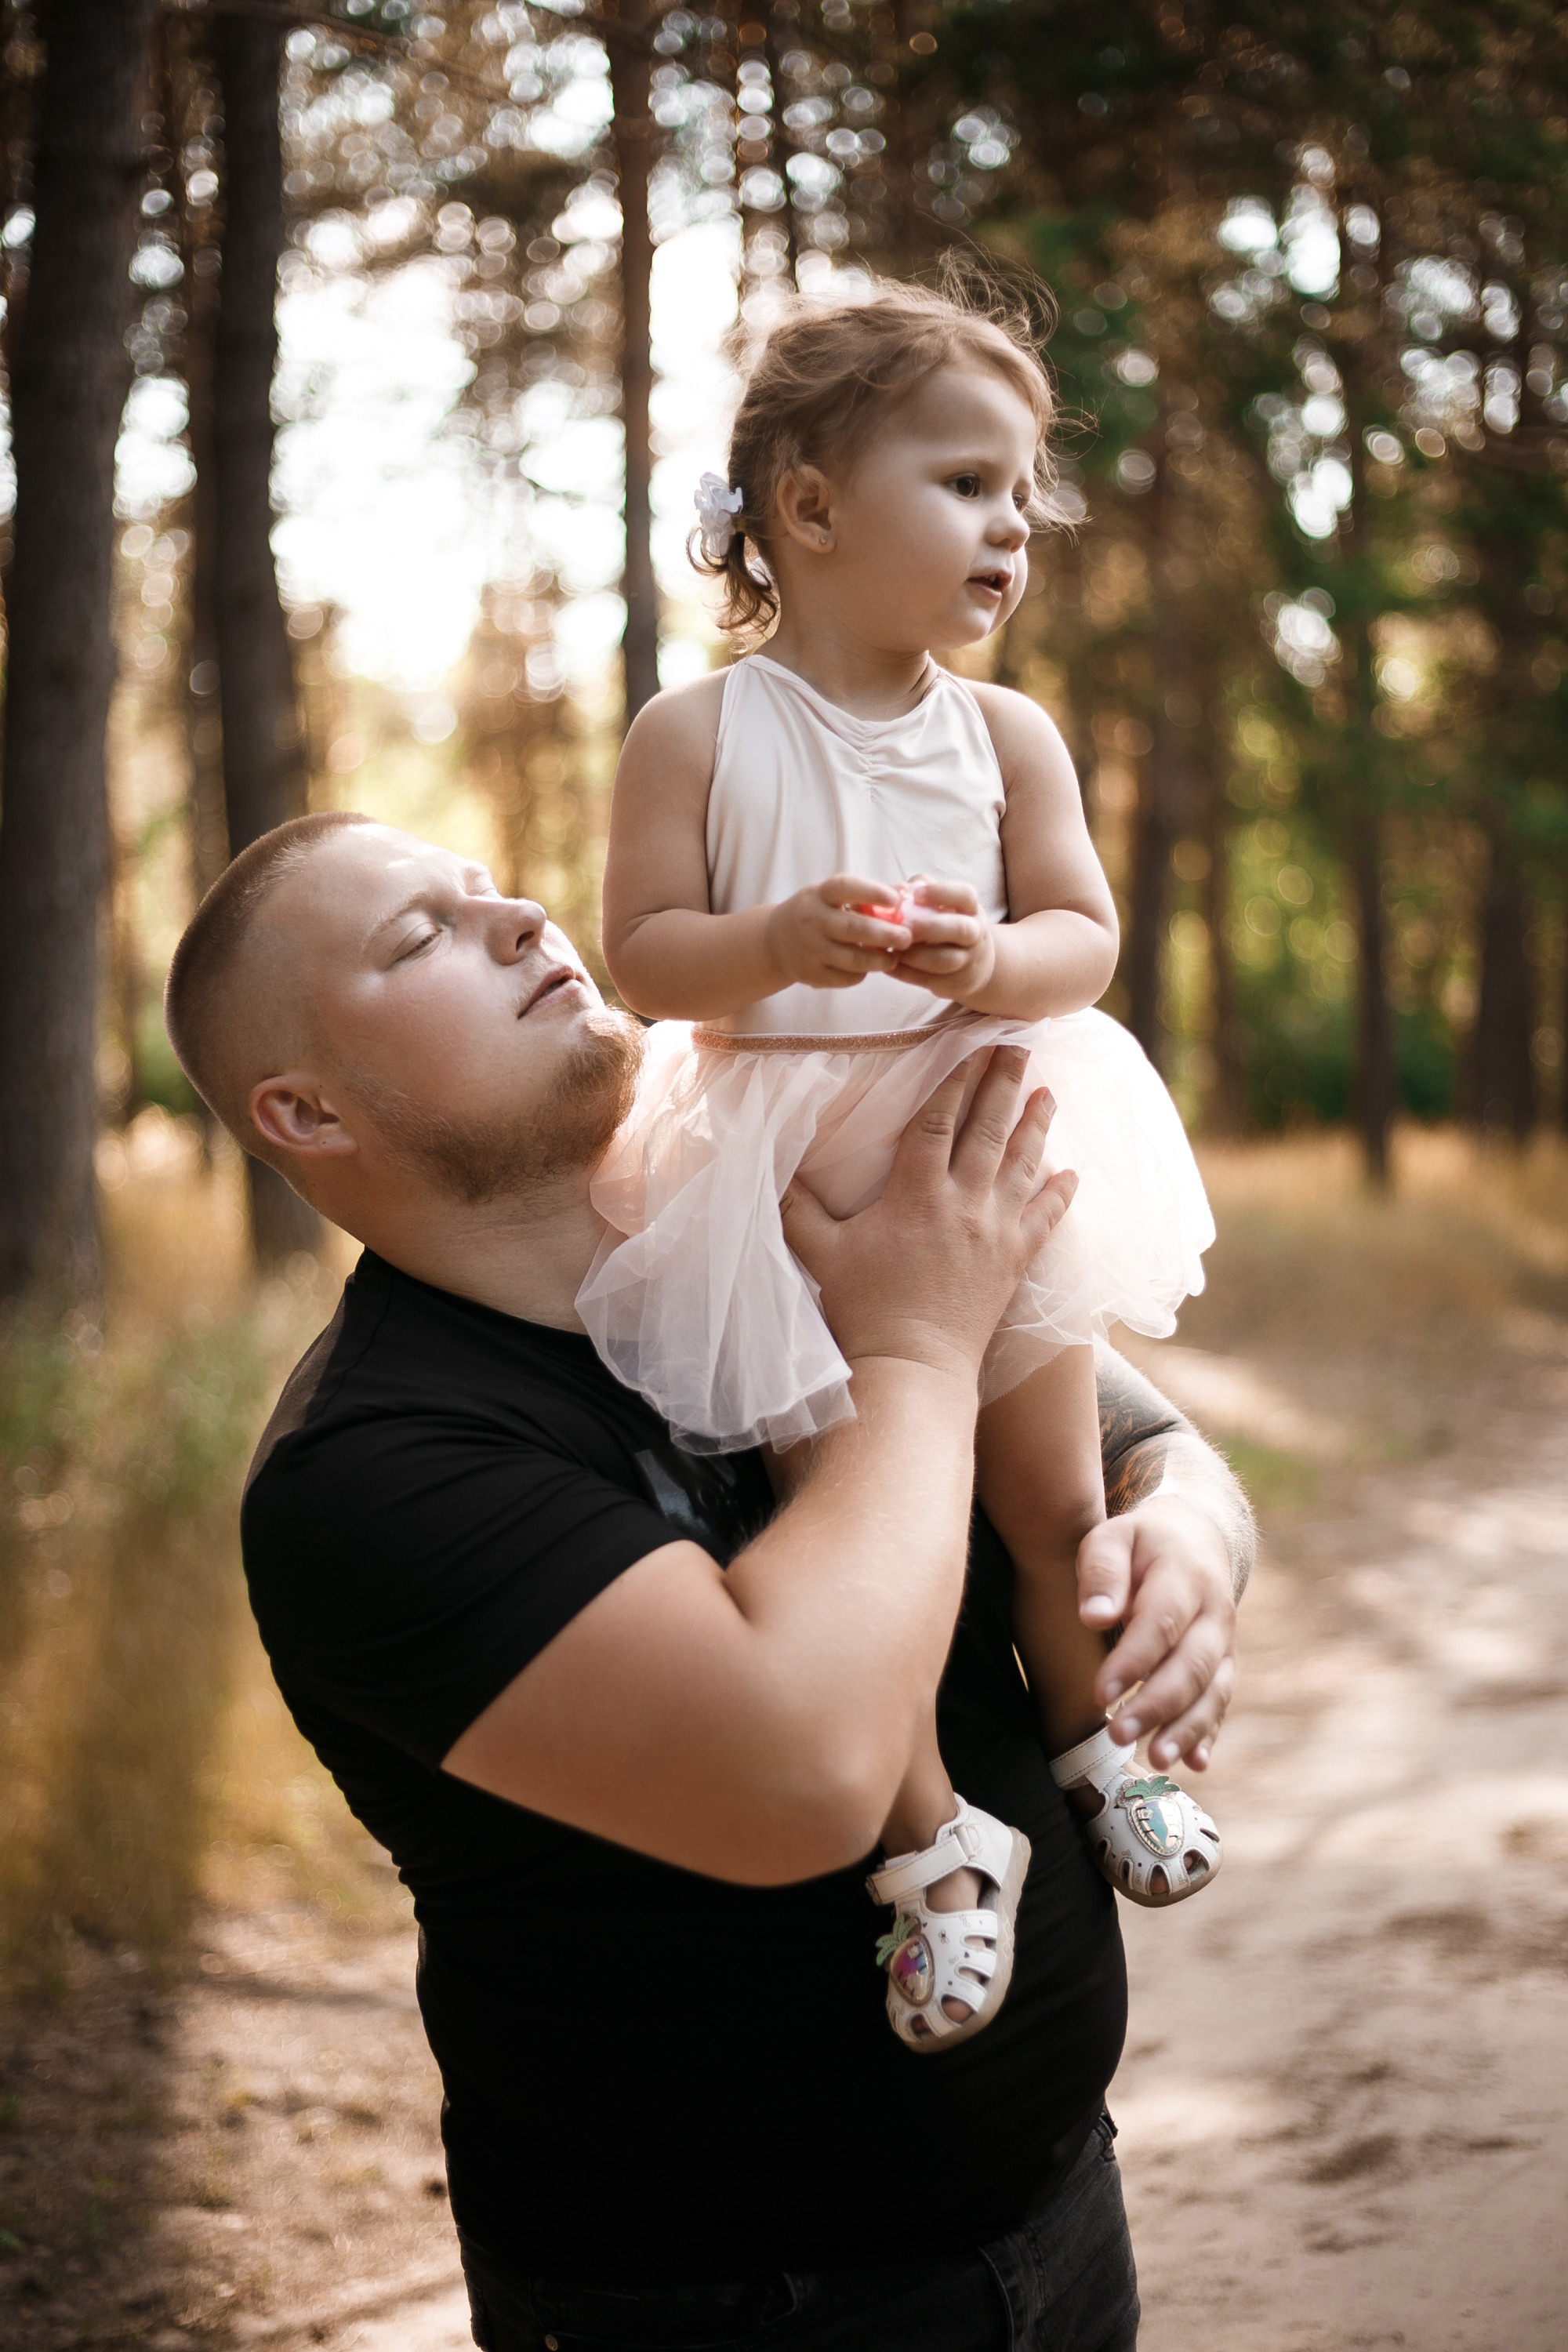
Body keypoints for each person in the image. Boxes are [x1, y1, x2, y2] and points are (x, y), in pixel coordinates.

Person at [163, 813, 1252, 2352]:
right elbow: (803, 1773)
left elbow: (1137, 1442)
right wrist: (911, 1346)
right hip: (715, 2305)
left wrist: (1191, 1534)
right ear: (307, 1111)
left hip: (1064, 2211)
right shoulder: (374, 1474)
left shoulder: (749, 1196)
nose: (521, 916)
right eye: (421, 936)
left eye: (488, 889)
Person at [586, 279, 1219, 2049]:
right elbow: (644, 955)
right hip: (785, 1181)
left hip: (977, 1136)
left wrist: (989, 961)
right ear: (807, 506)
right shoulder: (698, 733)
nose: (1012, 527)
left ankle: (1102, 1744)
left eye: (1023, 495)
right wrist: (774, 940)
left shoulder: (1003, 735)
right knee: (860, 1535)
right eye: (964, 484)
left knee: (1048, 1492)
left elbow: (1082, 937)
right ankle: (935, 1842)